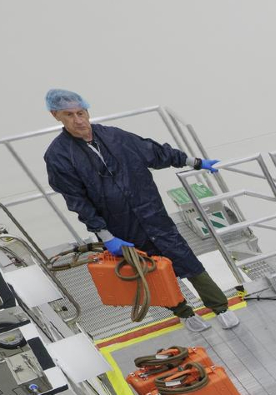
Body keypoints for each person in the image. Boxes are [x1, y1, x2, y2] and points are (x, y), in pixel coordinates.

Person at [42, 89, 239, 332]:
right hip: (119, 227)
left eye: (80, 113)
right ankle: (184, 313)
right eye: (69, 115)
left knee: (186, 259)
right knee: (151, 272)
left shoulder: (115, 137)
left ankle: (220, 307)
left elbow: (155, 153)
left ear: (87, 111)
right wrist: (107, 237)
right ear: (56, 116)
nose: (78, 120)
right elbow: (77, 201)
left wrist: (194, 162)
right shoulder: (58, 156)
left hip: (152, 214)